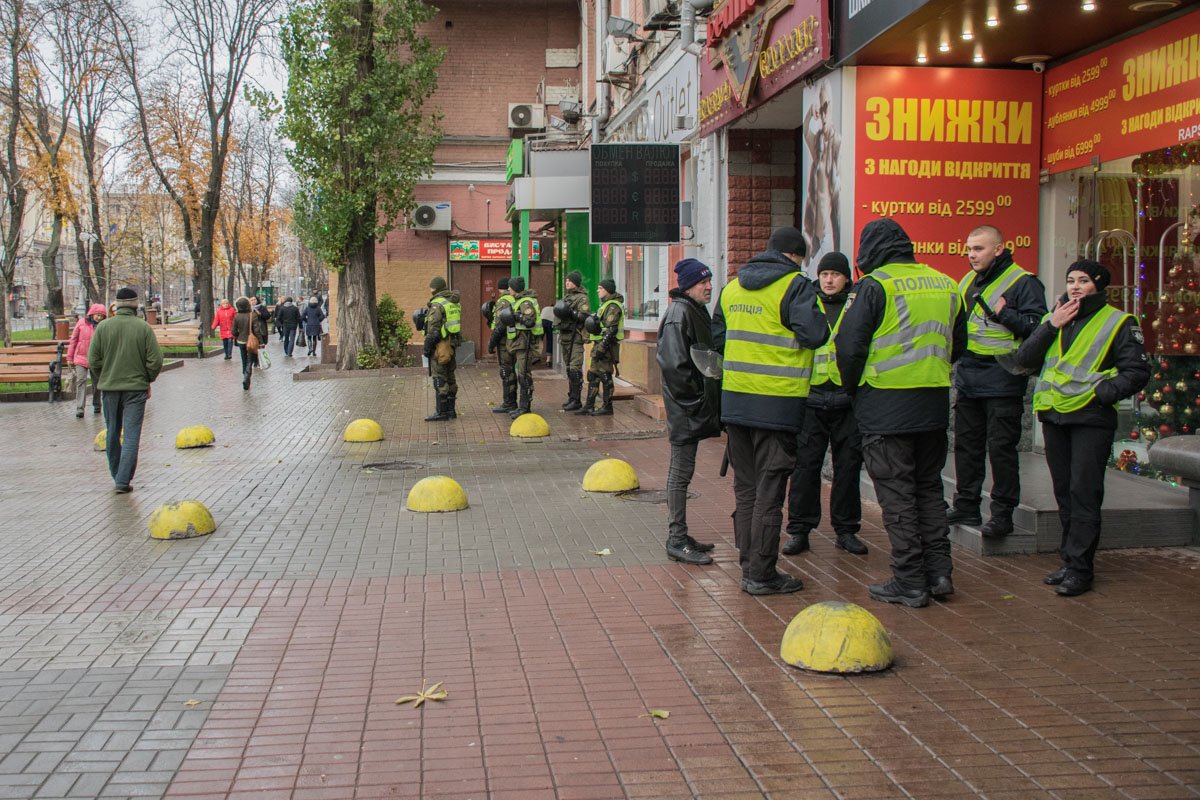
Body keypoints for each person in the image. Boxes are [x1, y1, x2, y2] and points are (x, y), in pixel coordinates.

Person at [836, 219, 967, 608]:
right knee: (928, 490)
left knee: (896, 497)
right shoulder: (946, 284)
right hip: (932, 402)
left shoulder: (874, 286)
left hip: (885, 405)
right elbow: (958, 344)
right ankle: (939, 574)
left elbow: (849, 347)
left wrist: (854, 390)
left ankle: (910, 581)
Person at [1011, 260, 1149, 596]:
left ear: (1099, 286)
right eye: (1071, 279)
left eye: (1083, 281)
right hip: (1055, 415)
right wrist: (1051, 325)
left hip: (1090, 418)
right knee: (1064, 494)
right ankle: (1070, 559)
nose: (1074, 286)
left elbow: (1137, 371)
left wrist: (1103, 394)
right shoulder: (1055, 316)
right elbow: (1024, 360)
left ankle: (1081, 570)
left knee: (1084, 493)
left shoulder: (1118, 322)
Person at [712, 226, 828, 595]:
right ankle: (761, 574)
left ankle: (749, 562)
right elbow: (816, 335)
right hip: (778, 403)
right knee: (769, 491)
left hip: (735, 400)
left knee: (745, 488)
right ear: (795, 256)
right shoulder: (795, 286)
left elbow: (717, 338)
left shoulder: (732, 288)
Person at [949, 225, 1048, 537]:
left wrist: (1005, 316)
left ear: (999, 248)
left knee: (1002, 449)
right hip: (969, 374)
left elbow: (1038, 329)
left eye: (978, 249)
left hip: (1003, 375)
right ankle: (966, 505)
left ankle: (1002, 514)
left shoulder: (1024, 282)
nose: (971, 255)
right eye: (969, 249)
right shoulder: (967, 281)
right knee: (967, 446)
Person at [783, 252, 869, 556]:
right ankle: (799, 530)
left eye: (835, 274)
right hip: (812, 397)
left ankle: (846, 529)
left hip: (848, 399)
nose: (829, 280)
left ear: (847, 277)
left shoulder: (857, 303)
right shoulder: (809, 302)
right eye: (824, 274)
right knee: (805, 468)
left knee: (848, 468)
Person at [656, 258, 720, 566]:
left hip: (691, 408)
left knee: (685, 472)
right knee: (680, 473)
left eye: (709, 281)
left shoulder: (693, 311)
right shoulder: (679, 314)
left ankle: (681, 534)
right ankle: (676, 539)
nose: (709, 286)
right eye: (702, 282)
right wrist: (696, 402)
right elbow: (675, 367)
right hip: (685, 410)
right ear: (687, 286)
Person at [87, 287, 163, 493]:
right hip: (136, 390)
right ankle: (123, 480)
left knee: (112, 431)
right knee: (131, 435)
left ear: (117, 305)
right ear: (136, 305)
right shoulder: (143, 328)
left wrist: (106, 376)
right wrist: (147, 379)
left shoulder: (103, 327)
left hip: (110, 389)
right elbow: (155, 360)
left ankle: (117, 474)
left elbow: (93, 359)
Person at [802, 79, 841, 273]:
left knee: (825, 275)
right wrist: (810, 110)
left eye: (826, 107)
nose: (824, 113)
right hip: (813, 223)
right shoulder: (817, 143)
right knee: (809, 273)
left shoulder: (836, 141)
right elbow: (805, 129)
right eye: (821, 107)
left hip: (827, 228)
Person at [577, 279, 624, 416]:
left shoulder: (613, 306)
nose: (598, 290)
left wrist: (602, 347)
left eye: (600, 288)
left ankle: (607, 406)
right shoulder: (605, 305)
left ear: (607, 290)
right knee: (593, 375)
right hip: (599, 344)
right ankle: (589, 405)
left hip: (607, 346)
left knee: (605, 374)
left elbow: (611, 330)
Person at [422, 276, 462, 422]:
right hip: (451, 344)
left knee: (440, 377)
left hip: (440, 346)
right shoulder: (453, 301)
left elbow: (434, 330)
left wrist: (427, 349)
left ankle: (441, 412)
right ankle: (451, 410)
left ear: (435, 288)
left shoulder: (437, 304)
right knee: (450, 377)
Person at [503, 275, 540, 418]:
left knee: (524, 375)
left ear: (515, 289)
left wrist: (516, 316)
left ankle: (525, 407)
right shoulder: (518, 301)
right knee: (521, 374)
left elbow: (529, 321)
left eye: (510, 287)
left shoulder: (525, 302)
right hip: (518, 342)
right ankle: (521, 406)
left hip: (525, 342)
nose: (508, 289)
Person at [555, 271, 590, 411]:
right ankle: (572, 397)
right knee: (569, 368)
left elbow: (584, 316)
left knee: (575, 368)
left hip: (575, 337)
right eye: (566, 280)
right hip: (565, 337)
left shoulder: (582, 298)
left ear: (576, 282)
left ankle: (576, 400)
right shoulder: (566, 297)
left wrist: (571, 313)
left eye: (570, 280)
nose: (567, 282)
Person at [67, 303, 107, 418]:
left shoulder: (103, 327)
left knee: (97, 383)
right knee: (81, 381)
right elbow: (73, 340)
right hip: (81, 357)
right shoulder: (81, 323)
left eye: (101, 316)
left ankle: (97, 405)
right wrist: (69, 357)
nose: (99, 318)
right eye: (97, 315)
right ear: (92, 314)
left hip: (96, 359)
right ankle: (80, 408)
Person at [487, 277, 518, 414]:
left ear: (500, 288)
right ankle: (512, 401)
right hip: (514, 339)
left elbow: (500, 325)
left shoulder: (503, 301)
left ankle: (509, 403)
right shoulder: (514, 299)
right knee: (511, 370)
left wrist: (492, 342)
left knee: (506, 371)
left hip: (504, 341)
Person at [231, 296, 268, 390]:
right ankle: (247, 377)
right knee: (250, 360)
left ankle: (244, 375)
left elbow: (233, 331)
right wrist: (261, 342)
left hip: (241, 341)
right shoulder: (253, 315)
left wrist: (238, 335)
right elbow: (257, 330)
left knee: (243, 358)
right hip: (251, 342)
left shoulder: (237, 316)